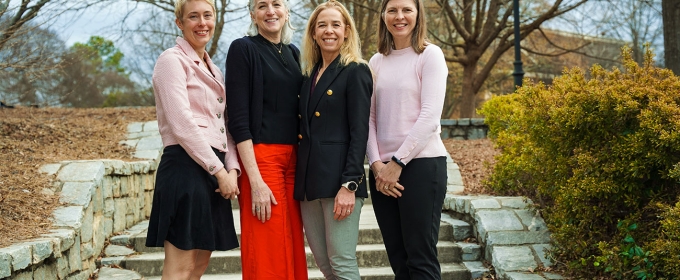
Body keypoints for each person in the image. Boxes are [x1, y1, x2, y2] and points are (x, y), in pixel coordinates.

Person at [145, 0, 241, 279]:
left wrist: (232, 169)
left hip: (214, 170)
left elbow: (225, 126)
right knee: (181, 268)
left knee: (198, 267)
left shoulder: (215, 69)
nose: (202, 23)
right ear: (180, 22)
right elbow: (182, 123)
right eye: (193, 17)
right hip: (185, 169)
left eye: (207, 16)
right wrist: (220, 171)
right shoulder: (170, 60)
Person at [224, 0, 307, 278]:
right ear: (252, 14)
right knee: (267, 246)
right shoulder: (243, 48)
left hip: (294, 161)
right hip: (262, 159)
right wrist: (255, 180)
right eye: (262, 5)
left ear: (286, 12)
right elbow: (238, 120)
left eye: (276, 4)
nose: (270, 11)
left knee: (293, 243)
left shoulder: (294, 53)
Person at [366, 0, 449, 278]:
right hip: (382, 173)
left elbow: (429, 117)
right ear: (383, 16)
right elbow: (369, 119)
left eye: (406, 10)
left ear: (417, 15)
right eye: (392, 10)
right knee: (399, 261)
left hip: (421, 167)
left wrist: (397, 162)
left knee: (421, 259)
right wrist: (377, 164)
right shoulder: (376, 61)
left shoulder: (430, 55)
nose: (399, 16)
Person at [294, 1, 373, 279]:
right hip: (309, 185)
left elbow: (359, 132)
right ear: (314, 33)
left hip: (339, 183)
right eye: (322, 25)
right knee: (326, 268)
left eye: (336, 24)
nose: (329, 31)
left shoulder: (356, 70)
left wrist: (350, 185)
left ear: (347, 31)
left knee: (342, 263)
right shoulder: (309, 76)